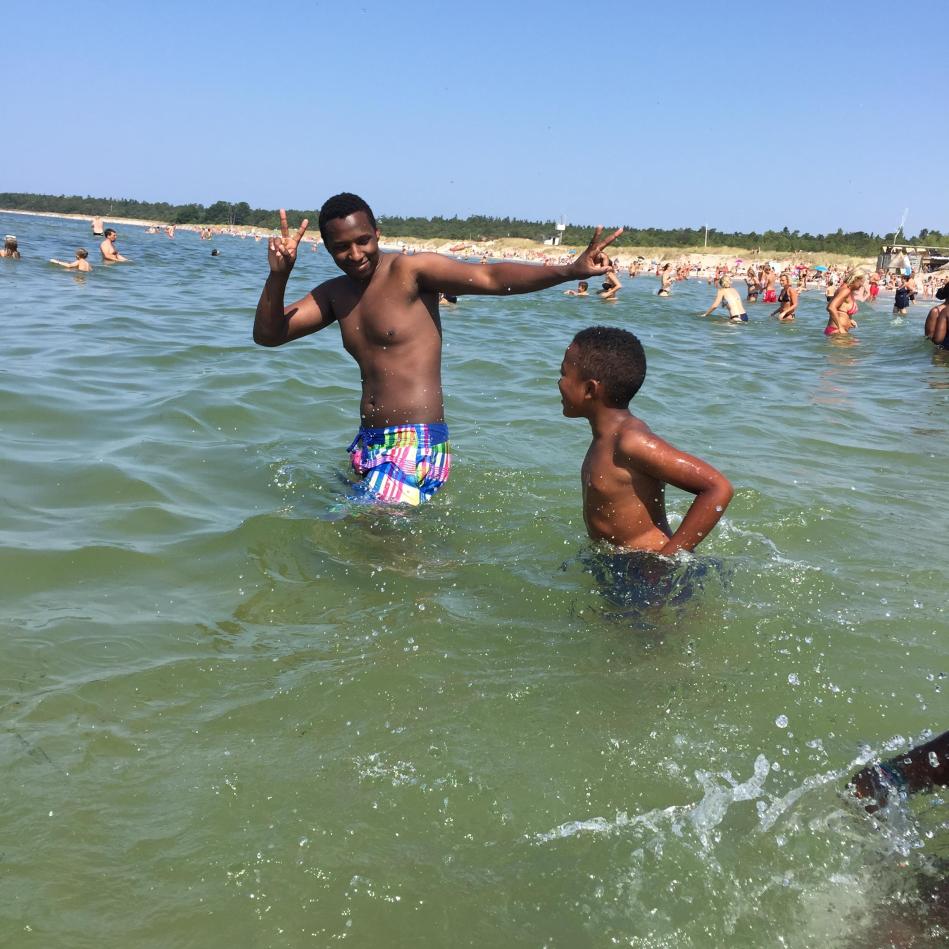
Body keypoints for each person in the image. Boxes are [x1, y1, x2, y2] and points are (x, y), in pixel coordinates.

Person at [253, 193, 622, 506]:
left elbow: (491, 277)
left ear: (377, 233)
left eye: (363, 240)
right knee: (369, 548)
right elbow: (269, 335)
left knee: (361, 536)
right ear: (327, 248)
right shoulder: (335, 294)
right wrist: (279, 274)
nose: (355, 254)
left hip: (415, 442)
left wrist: (568, 271)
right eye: (341, 248)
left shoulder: (410, 272)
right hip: (369, 442)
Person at [558, 326, 733, 554]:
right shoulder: (605, 436)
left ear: (590, 389)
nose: (559, 382)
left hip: (644, 564)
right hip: (615, 558)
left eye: (563, 374)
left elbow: (718, 488)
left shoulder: (631, 441)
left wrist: (668, 557)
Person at [825, 269, 864, 336]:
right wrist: (840, 328)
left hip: (838, 331)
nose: (862, 285)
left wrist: (849, 320)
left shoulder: (846, 290)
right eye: (861, 282)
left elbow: (841, 309)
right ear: (855, 279)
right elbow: (831, 307)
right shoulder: (845, 290)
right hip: (837, 331)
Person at [925, 284, 949, 349]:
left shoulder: (940, 311)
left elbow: (931, 338)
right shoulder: (935, 311)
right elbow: (929, 337)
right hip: (941, 349)